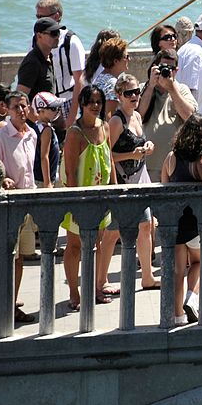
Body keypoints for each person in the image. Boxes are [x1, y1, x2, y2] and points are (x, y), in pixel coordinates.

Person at [161, 115, 202, 324]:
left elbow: (163, 185)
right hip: (195, 224)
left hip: (175, 223)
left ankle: (177, 315)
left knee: (178, 270)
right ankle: (193, 296)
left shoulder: (171, 157)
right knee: (200, 261)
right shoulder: (200, 160)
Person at [61, 85, 118, 311]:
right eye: (91, 101)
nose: (95, 105)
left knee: (96, 244)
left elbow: (110, 160)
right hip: (80, 197)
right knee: (74, 246)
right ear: (82, 104)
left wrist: (115, 190)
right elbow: (71, 170)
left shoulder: (105, 126)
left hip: (101, 197)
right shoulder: (75, 133)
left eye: (98, 101)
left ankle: (94, 289)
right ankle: (75, 292)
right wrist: (74, 201)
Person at [0, 91, 39, 325]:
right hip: (8, 206)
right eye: (16, 107)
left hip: (28, 204)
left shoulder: (32, 134)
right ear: (7, 110)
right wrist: (3, 180)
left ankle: (12, 302)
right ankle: (4, 304)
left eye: (24, 106)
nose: (21, 111)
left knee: (21, 258)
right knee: (8, 257)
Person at [108, 73, 158, 290]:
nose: (134, 96)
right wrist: (131, 155)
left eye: (137, 91)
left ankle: (147, 276)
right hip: (122, 183)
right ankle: (100, 280)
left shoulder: (137, 116)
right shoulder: (116, 121)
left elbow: (141, 143)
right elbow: (107, 156)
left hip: (140, 180)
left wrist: (149, 147)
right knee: (112, 234)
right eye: (129, 93)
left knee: (146, 226)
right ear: (118, 95)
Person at [139, 49, 198, 182]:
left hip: (174, 165)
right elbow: (138, 115)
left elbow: (190, 117)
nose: (167, 71)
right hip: (148, 165)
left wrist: (171, 89)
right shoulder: (144, 88)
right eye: (163, 67)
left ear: (176, 71)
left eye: (171, 68)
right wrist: (150, 86)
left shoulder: (181, 89)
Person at [35, 0, 87, 128]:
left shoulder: (71, 42)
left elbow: (79, 81)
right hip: (45, 103)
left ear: (57, 16)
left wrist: (72, 117)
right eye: (38, 17)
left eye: (43, 17)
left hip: (68, 101)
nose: (40, 21)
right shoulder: (36, 39)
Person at [17, 17, 62, 101]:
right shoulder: (32, 63)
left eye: (58, 32)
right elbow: (20, 99)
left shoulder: (49, 57)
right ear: (39, 35)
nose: (57, 37)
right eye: (53, 33)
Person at [90, 37, 129, 117]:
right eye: (126, 57)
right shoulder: (112, 83)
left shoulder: (101, 76)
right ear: (116, 61)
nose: (129, 59)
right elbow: (110, 116)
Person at [31, 92, 62, 189]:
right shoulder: (46, 130)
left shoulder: (37, 126)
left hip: (37, 177)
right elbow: (44, 157)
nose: (56, 111)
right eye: (53, 108)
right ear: (41, 110)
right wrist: (47, 183)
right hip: (43, 180)